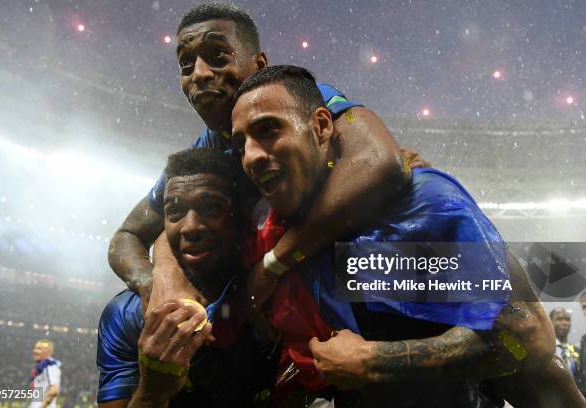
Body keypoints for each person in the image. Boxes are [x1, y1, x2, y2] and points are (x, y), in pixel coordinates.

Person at [231, 64, 584, 407]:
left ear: (322, 126)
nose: (250, 157)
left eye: (269, 130)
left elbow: (521, 334)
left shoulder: (408, 214)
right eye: (240, 144)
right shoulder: (295, 237)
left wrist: (371, 360)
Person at [108, 2, 414, 313]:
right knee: (125, 313)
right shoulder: (203, 155)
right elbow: (127, 235)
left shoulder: (297, 100)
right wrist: (157, 281)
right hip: (266, 311)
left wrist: (274, 264)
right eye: (186, 64)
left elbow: (381, 162)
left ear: (259, 65)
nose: (199, 74)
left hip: (363, 282)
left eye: (217, 56)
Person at [96, 148, 279, 407]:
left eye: (212, 207)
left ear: (239, 217)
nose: (191, 226)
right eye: (174, 211)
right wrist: (153, 391)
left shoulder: (273, 294)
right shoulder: (127, 314)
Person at [550, 307, 580, 379]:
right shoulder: (544, 349)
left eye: (567, 319)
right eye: (559, 319)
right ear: (550, 322)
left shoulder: (577, 351)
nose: (564, 323)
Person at [30, 339, 61, 408]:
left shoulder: (49, 365)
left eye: (39, 349)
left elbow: (54, 390)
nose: (34, 351)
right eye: (34, 348)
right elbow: (38, 399)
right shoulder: (42, 368)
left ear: (48, 351)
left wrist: (41, 407)